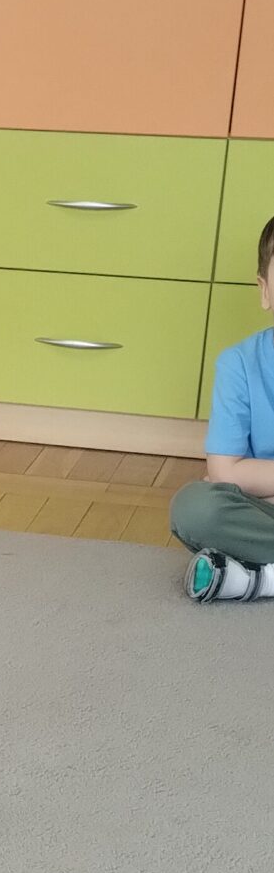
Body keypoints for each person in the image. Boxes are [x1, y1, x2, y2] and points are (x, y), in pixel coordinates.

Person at [172, 215, 274, 601]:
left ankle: (254, 579)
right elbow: (224, 471)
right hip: (260, 511)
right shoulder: (239, 364)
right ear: (265, 291)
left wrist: (252, 480)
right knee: (195, 508)